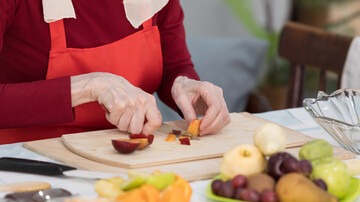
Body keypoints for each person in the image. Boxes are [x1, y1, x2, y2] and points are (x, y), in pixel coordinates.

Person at [0, 0, 230, 145]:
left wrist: (184, 85)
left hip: (124, 155)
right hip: (25, 160)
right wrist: (90, 86)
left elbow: (173, 64)